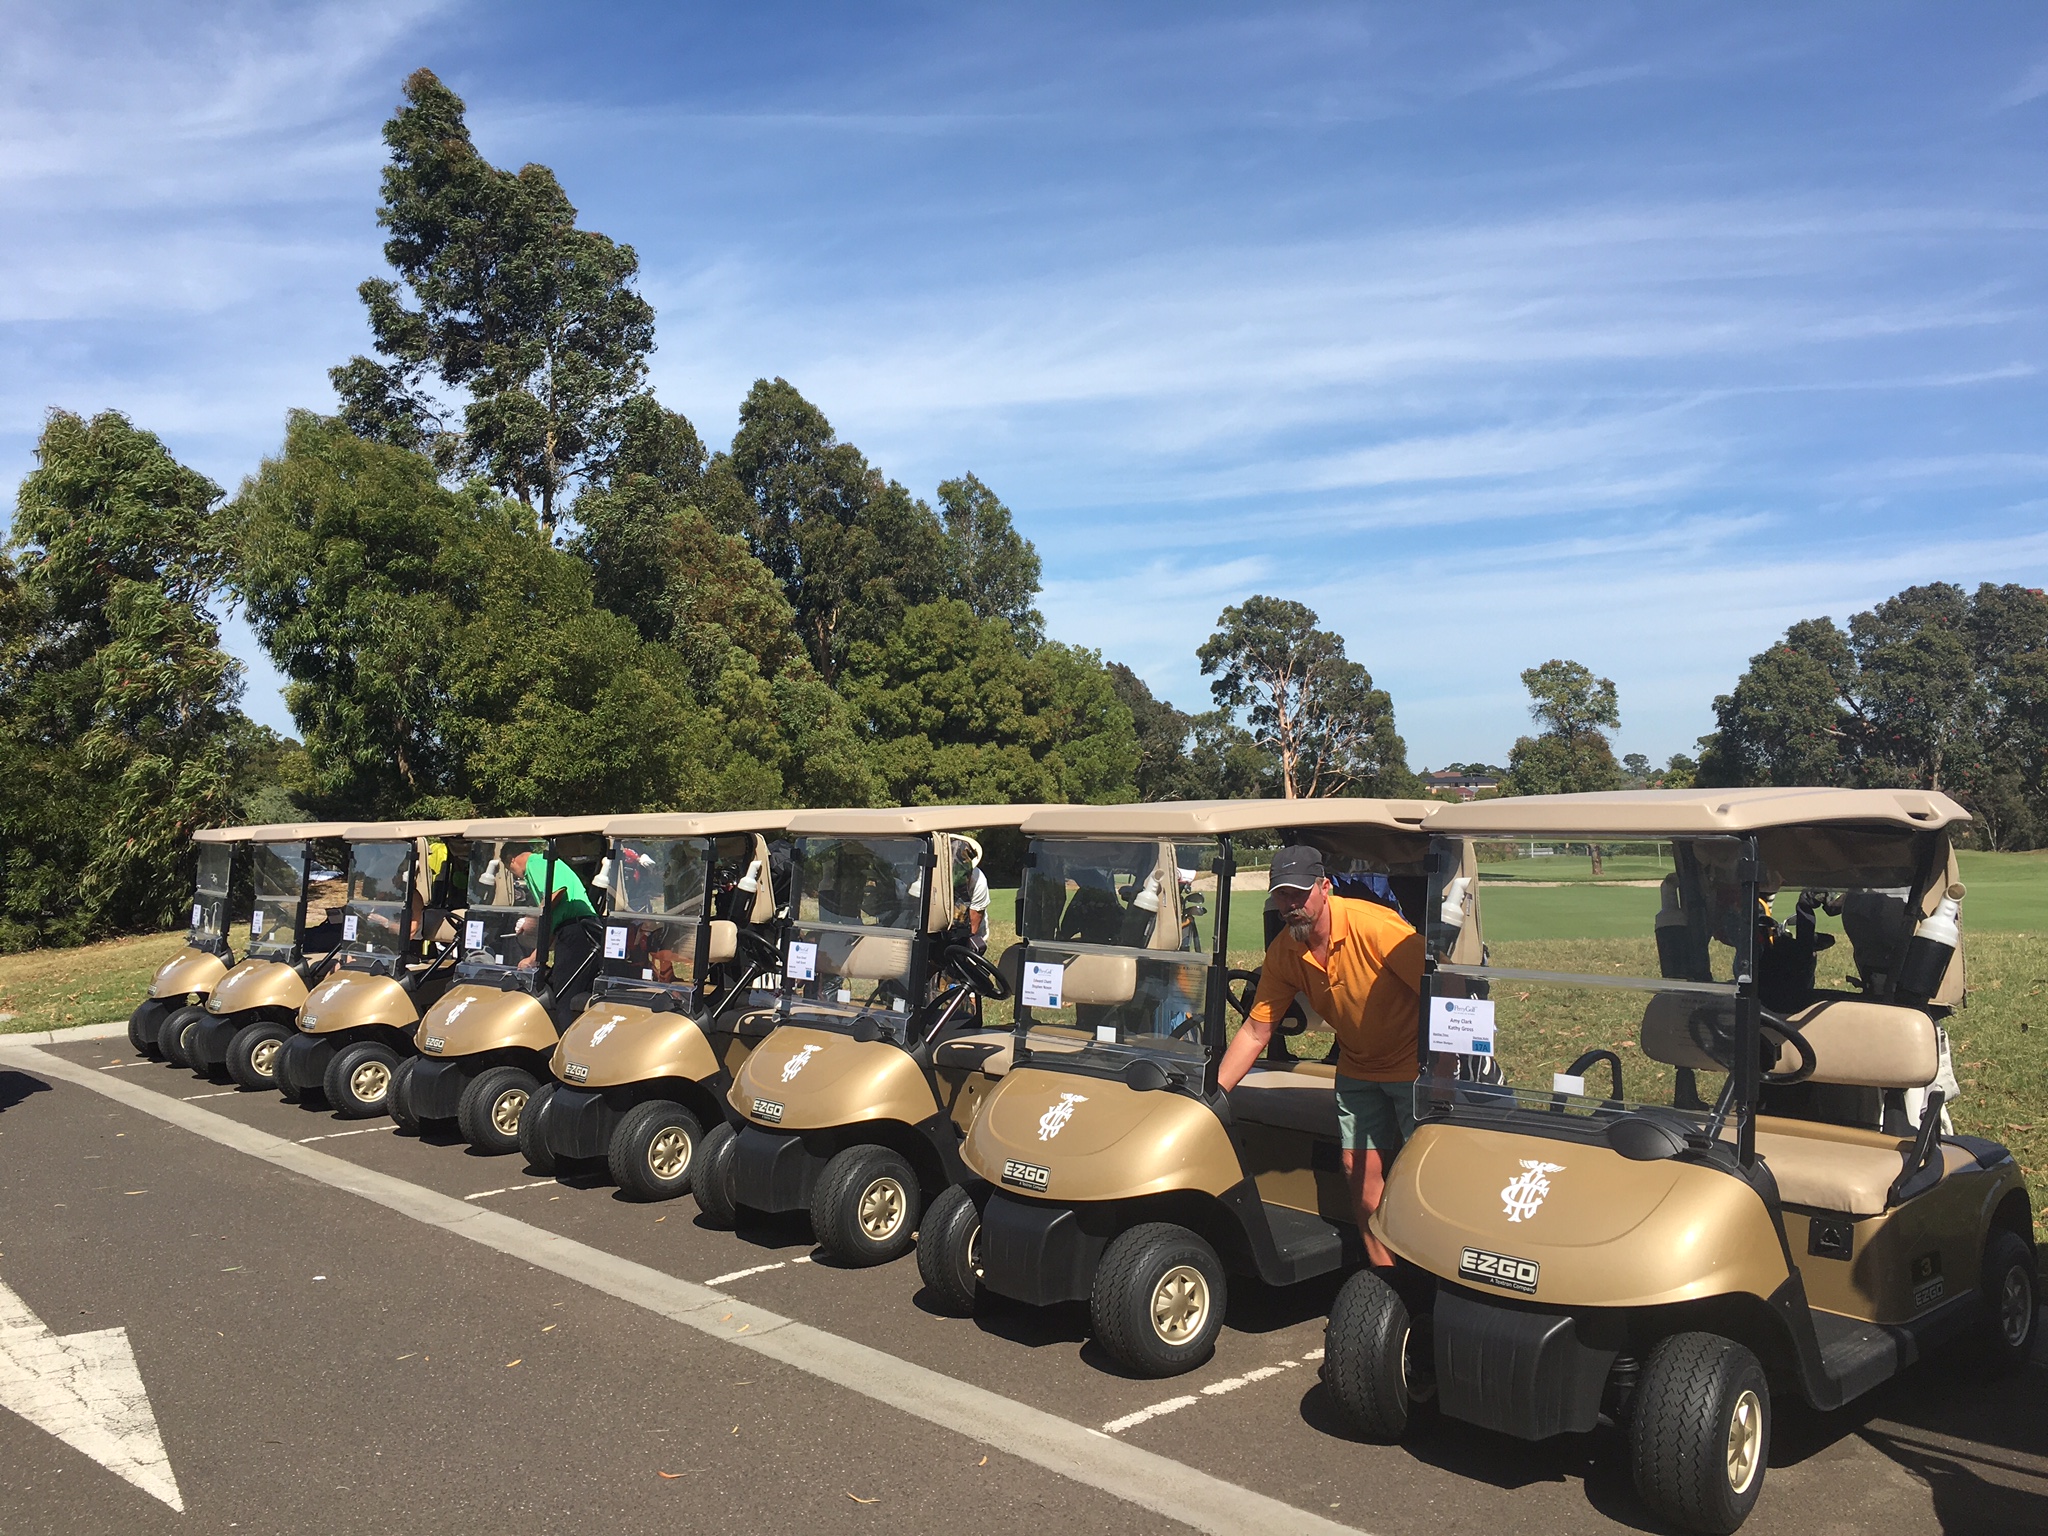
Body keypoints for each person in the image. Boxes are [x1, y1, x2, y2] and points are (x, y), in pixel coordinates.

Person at [1217, 845, 1424, 1268]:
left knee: (1422, 1177)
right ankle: (1387, 1276)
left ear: (1324, 887)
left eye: (1298, 894)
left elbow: (1447, 997)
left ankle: (1432, 1274)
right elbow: (1257, 1030)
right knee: (1357, 1169)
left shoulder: (1378, 928)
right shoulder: (1284, 951)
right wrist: (1213, 1094)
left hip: (1413, 1069)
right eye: (1281, 896)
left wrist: (1442, 1067)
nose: (1291, 905)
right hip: (1358, 1068)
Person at [508, 843, 595, 969]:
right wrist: (533, 959)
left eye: (508, 868)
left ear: (511, 859)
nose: (515, 875)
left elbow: (557, 892)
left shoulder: (535, 863)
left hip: (576, 927)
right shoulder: (543, 862)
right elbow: (552, 920)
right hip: (577, 928)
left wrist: (533, 919)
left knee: (565, 981)